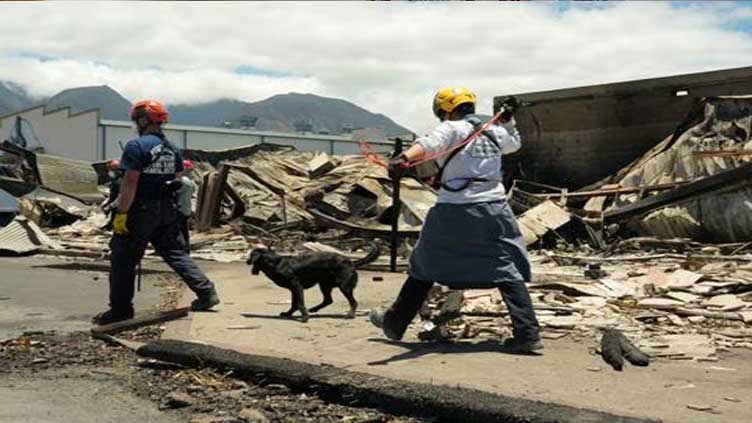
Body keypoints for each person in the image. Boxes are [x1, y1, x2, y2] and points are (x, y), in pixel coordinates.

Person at [369, 87, 541, 353]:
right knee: (506, 266)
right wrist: (509, 120)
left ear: (445, 109)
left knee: (424, 265)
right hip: (494, 207)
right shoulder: (494, 132)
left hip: (454, 208)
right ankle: (527, 333)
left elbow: (428, 144)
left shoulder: (452, 128)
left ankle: (394, 322)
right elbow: (514, 143)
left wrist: (403, 159)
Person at [93, 99, 220, 325]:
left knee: (123, 259)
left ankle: (121, 310)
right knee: (175, 252)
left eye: (136, 120)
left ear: (142, 120)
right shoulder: (172, 148)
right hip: (166, 210)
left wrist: (122, 213)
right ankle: (206, 291)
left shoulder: (136, 146)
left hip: (140, 210)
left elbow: (130, 183)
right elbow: (178, 178)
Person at [177, 160, 197, 252]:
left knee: (177, 231)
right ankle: (186, 249)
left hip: (179, 209)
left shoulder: (181, 181)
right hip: (186, 209)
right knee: (184, 231)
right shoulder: (191, 182)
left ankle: (180, 249)